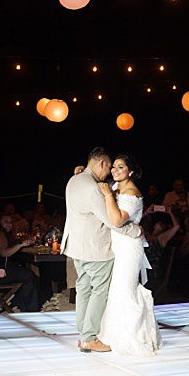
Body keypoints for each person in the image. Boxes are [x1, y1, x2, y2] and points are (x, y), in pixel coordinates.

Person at [63, 148, 143, 353]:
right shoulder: (93, 188)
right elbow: (113, 222)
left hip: (77, 247)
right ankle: (89, 337)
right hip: (95, 249)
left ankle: (83, 334)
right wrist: (135, 230)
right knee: (98, 291)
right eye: (109, 166)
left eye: (118, 167)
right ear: (100, 164)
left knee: (84, 289)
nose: (110, 172)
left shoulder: (75, 180)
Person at [91, 154, 162, 355]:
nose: (114, 170)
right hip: (117, 245)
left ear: (130, 172)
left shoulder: (131, 193)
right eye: (113, 166)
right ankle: (113, 335)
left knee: (126, 290)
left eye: (120, 167)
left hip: (129, 247)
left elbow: (118, 220)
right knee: (115, 291)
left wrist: (107, 196)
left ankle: (134, 338)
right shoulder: (115, 186)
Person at [0, 214, 39, 312]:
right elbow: (4, 253)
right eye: (6, 222)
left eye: (11, 222)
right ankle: (30, 310)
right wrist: (21, 244)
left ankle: (19, 304)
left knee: (24, 271)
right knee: (29, 275)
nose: (9, 224)